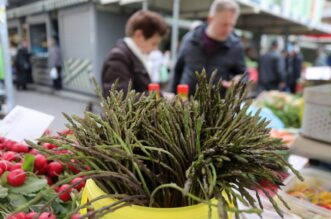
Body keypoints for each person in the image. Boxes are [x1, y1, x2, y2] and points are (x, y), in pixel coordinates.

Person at [170, 0, 246, 96]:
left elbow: (243, 74)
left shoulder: (236, 46)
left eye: (232, 25)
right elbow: (178, 70)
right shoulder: (190, 39)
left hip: (216, 106)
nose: (228, 30)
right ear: (210, 19)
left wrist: (239, 80)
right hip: (186, 102)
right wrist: (172, 94)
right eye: (224, 24)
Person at [101, 10, 168, 96]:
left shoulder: (134, 57)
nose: (155, 49)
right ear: (138, 35)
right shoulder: (118, 59)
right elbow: (120, 100)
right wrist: (160, 97)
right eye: (153, 43)